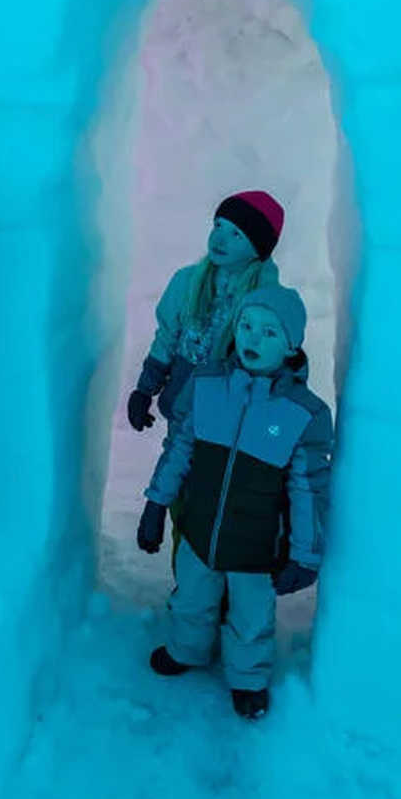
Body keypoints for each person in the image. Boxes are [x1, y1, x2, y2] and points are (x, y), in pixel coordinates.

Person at [135, 283, 333, 721]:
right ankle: (186, 649)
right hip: (200, 530)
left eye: (268, 332)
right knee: (191, 598)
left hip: (257, 548)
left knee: (250, 616)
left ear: (291, 344)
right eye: (246, 326)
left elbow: (308, 489)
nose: (252, 339)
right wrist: (155, 505)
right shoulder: (207, 385)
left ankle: (248, 680)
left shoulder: (303, 412)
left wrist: (304, 554)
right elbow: (179, 450)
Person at [125, 192, 286, 435]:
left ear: (257, 248)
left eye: (236, 234)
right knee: (171, 471)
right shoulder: (187, 282)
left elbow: (277, 367)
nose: (220, 239)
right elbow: (167, 337)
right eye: (218, 226)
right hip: (182, 413)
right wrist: (144, 390)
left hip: (235, 427)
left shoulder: (268, 301)